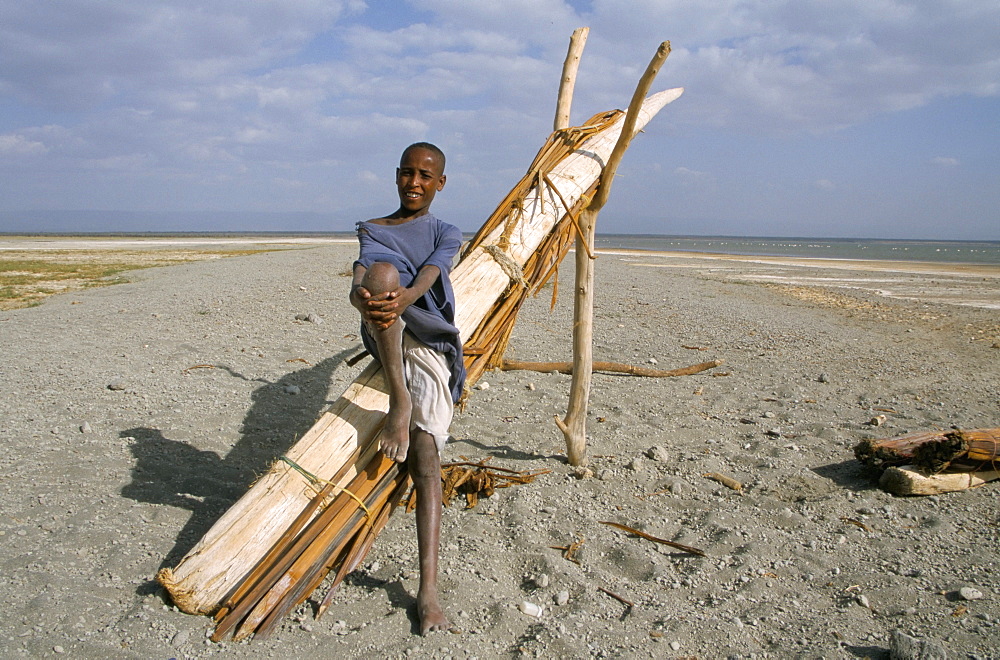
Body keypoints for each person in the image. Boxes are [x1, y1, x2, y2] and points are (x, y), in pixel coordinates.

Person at [349, 142, 465, 635]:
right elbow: (362, 278)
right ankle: (401, 398)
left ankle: (428, 588)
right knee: (379, 273)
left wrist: (406, 296)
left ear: (440, 182)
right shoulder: (373, 228)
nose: (414, 183)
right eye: (407, 173)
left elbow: (432, 275)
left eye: (425, 175)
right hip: (385, 330)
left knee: (426, 455)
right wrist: (362, 299)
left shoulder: (445, 231)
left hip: (426, 326)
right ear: (396, 176)